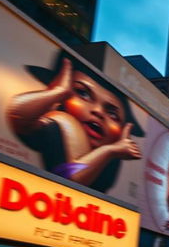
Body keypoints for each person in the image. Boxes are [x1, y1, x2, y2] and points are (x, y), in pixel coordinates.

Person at [8, 51, 144, 193]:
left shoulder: (106, 168)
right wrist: (58, 92)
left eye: (112, 114)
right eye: (83, 93)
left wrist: (111, 150)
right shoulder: (58, 123)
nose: (97, 111)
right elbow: (18, 114)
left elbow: (71, 177)